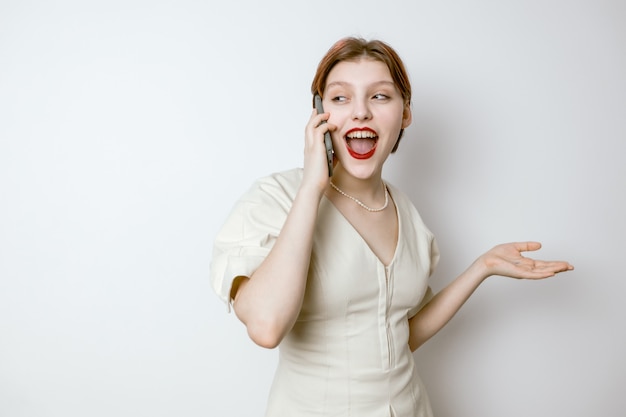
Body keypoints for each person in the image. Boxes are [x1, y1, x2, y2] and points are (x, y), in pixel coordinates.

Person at [209, 37, 573, 417]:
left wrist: (481, 269)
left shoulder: (406, 213)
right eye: (340, 98)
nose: (361, 113)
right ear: (318, 113)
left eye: (380, 97)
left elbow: (398, 337)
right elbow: (266, 327)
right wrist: (312, 189)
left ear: (405, 113)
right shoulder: (277, 198)